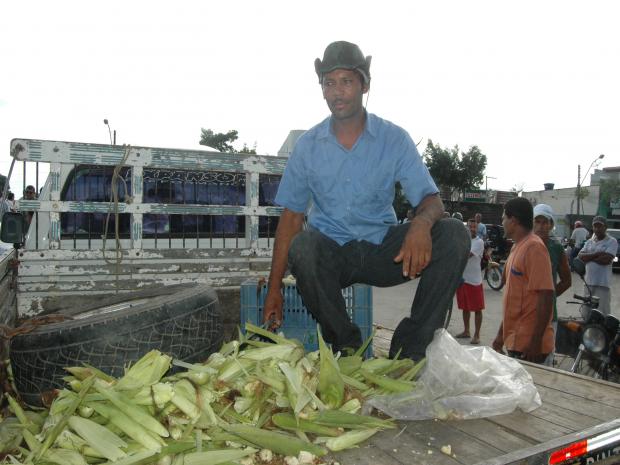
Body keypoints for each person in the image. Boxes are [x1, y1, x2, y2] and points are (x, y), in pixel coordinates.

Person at [263, 40, 469, 360]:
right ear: (322, 89)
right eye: (329, 83)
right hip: (332, 254)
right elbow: (290, 220)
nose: (337, 92)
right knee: (303, 246)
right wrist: (274, 289)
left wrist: (421, 223)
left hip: (384, 251)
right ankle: (347, 344)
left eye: (346, 81)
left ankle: (411, 348)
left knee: (454, 234)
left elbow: (431, 199)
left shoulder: (393, 138)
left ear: (365, 85)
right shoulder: (307, 146)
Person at [492, 197, 554, 364]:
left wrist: (535, 343)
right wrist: (500, 336)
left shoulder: (534, 248)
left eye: (503, 218)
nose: (502, 222)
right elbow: (513, 300)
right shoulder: (516, 246)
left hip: (529, 348)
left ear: (513, 220)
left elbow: (546, 296)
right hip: (515, 342)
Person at [532, 204, 572, 366]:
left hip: (549, 314)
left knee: (545, 360)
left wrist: (550, 296)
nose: (541, 226)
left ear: (551, 224)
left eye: (545, 222)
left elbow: (567, 281)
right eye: (538, 221)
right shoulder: (523, 244)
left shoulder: (556, 248)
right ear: (532, 223)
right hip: (525, 313)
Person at [577, 216, 618, 316]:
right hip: (588, 283)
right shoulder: (589, 242)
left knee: (601, 314)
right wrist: (597, 254)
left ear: (605, 227)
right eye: (595, 226)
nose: (597, 229)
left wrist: (589, 257)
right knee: (586, 314)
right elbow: (580, 257)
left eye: (600, 226)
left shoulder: (612, 241)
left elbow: (607, 260)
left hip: (602, 284)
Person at [455, 218, 485, 344]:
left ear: (477, 229)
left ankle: (477, 335)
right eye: (470, 227)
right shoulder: (462, 240)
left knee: (477, 309)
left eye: (474, 227)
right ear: (467, 227)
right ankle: (466, 331)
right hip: (463, 279)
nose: (472, 229)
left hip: (474, 281)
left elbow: (466, 255)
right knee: (465, 308)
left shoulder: (479, 242)